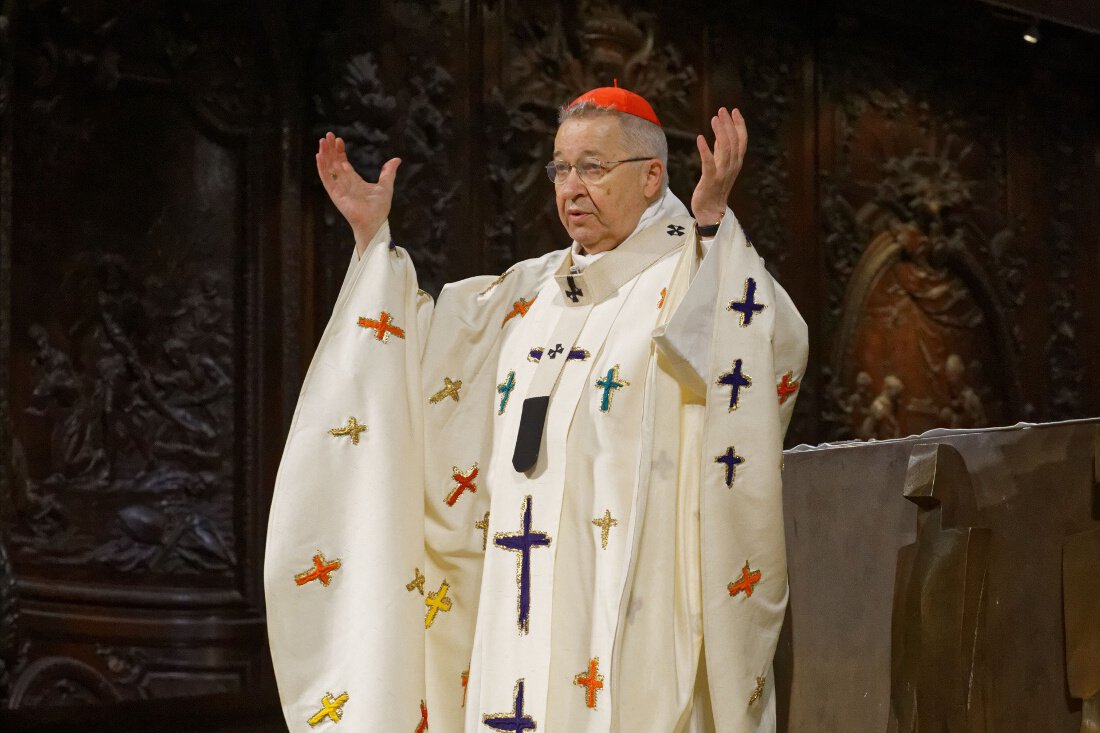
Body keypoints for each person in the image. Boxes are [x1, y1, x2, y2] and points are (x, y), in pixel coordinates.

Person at [264, 85, 808, 732]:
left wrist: (714, 222)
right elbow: (422, 366)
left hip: (626, 597)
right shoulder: (527, 293)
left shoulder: (692, 276)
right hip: (511, 594)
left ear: (651, 176)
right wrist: (371, 243)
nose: (571, 187)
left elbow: (765, 349)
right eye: (561, 167)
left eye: (594, 167)